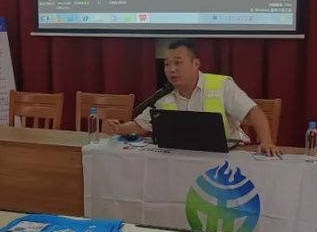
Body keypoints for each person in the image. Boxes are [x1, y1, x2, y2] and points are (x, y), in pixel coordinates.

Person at [104, 39, 280, 156]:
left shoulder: (221, 85)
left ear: (196, 63)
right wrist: (118, 128)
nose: (171, 69)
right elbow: (141, 125)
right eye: (167, 64)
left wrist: (266, 141)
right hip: (183, 157)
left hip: (228, 156)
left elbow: (253, 112)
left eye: (178, 63)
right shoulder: (163, 96)